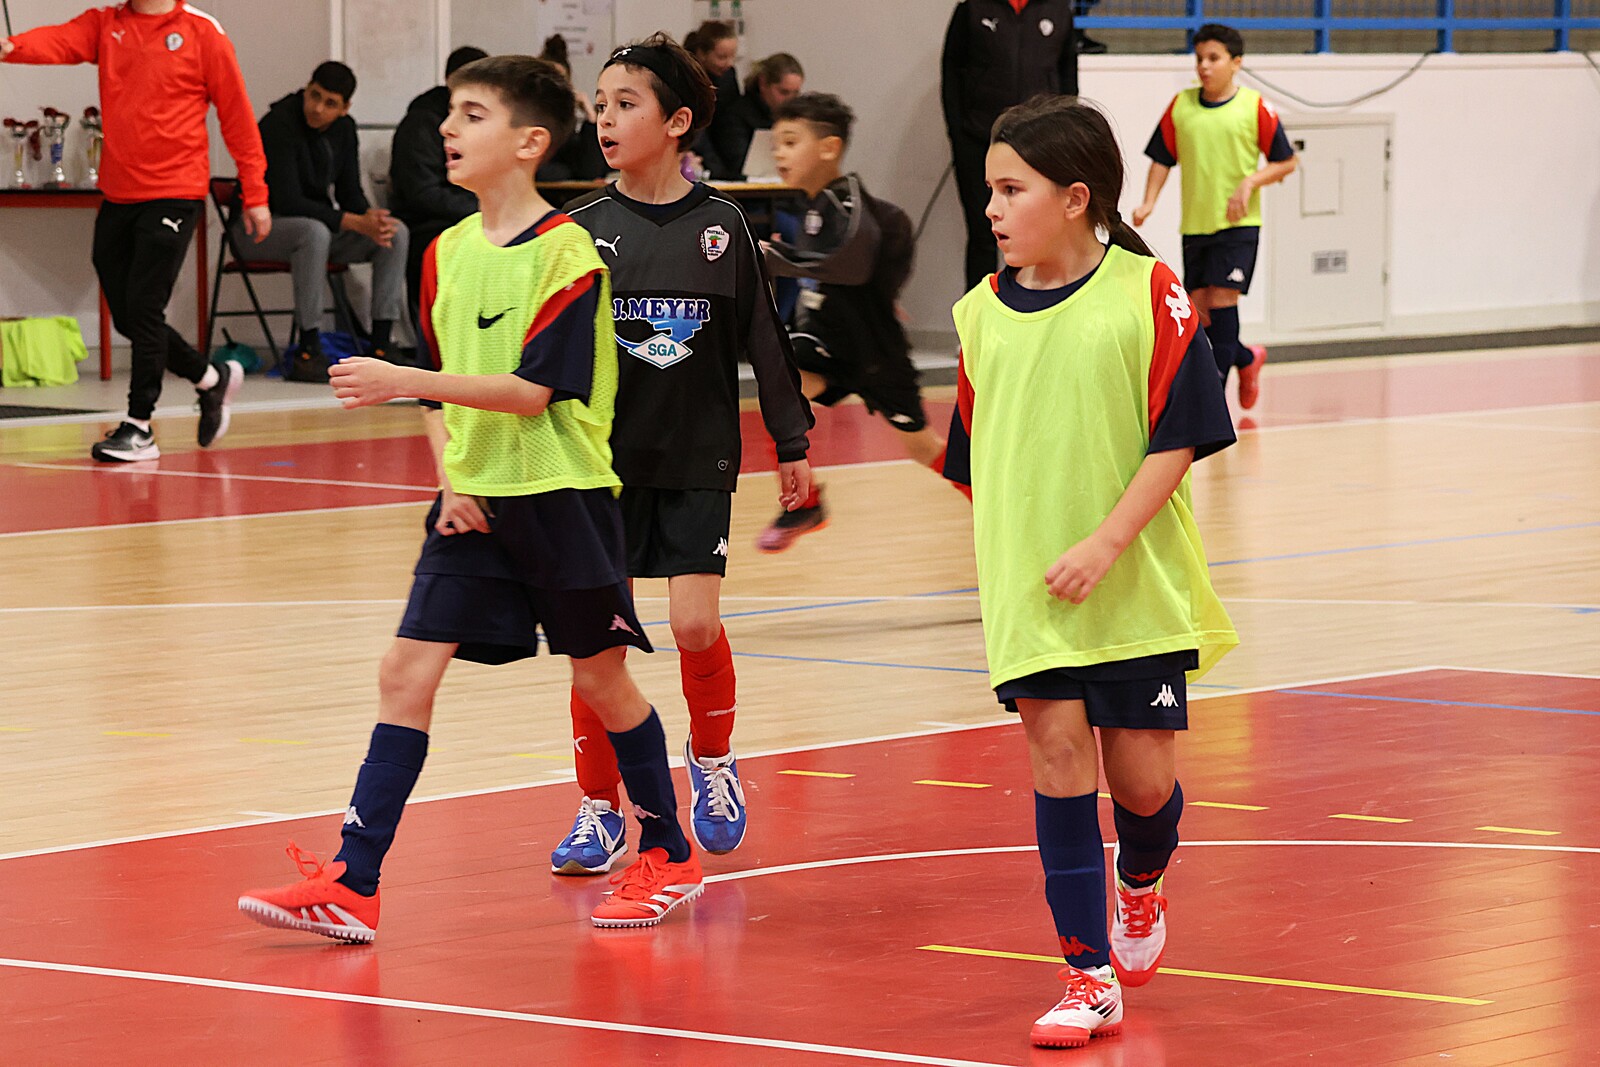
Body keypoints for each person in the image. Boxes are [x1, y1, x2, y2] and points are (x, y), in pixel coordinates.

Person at [237, 54, 704, 936]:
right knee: (404, 671)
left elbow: (531, 392)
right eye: (451, 113)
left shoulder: (566, 255)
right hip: (474, 501)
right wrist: (450, 479)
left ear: (530, 142)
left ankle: (669, 852)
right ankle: (354, 879)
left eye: (473, 115)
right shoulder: (445, 251)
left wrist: (396, 377)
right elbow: (440, 387)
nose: (449, 129)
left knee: (602, 679)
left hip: (561, 496)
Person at [943, 95, 1238, 1047]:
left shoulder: (1149, 293)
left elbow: (1181, 437)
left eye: (1010, 190)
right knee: (1059, 755)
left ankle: (1141, 879)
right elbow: (975, 458)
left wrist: (1105, 541)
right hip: (1031, 592)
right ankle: (1086, 972)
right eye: (989, 190)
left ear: (1076, 198)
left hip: (1132, 582)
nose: (992, 208)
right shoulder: (979, 315)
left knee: (1142, 785)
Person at [555, 34, 814, 873]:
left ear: (676, 122)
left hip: (699, 454)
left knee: (694, 622)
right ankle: (600, 809)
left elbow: (765, 340)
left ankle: (713, 759)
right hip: (600, 466)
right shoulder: (578, 230)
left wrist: (792, 442)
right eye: (599, 104)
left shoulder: (722, 226)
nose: (605, 118)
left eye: (625, 104)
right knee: (599, 645)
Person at [1, 0, 268, 462]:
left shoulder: (202, 32)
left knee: (145, 306)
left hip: (175, 192)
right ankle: (209, 378)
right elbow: (59, 40)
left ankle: (139, 426)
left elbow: (237, 116)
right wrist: (10, 47)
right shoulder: (107, 24)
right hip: (120, 194)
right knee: (129, 316)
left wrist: (256, 193)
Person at [755, 92, 959, 553]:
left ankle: (994, 503)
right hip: (828, 348)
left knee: (922, 447)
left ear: (829, 148)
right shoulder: (812, 207)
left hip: (874, 354)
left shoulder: (847, 203)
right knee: (778, 388)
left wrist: (774, 257)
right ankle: (804, 503)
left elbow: (849, 266)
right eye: (776, 145)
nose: (780, 154)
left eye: (791, 142)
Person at [1132, 23, 1296, 410]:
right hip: (1196, 225)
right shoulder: (1181, 106)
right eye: (1199, 59)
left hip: (1239, 225)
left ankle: (1211, 404)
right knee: (1202, 312)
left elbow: (1286, 161)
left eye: (1214, 58)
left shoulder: (1254, 107)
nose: (1204, 66)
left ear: (1236, 63)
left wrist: (1250, 183)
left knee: (1223, 299)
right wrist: (1148, 202)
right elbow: (1162, 159)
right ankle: (1246, 357)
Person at [247, 61, 410, 368]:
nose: (318, 108)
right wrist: (352, 221)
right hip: (261, 229)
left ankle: (381, 344)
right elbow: (288, 200)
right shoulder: (278, 124)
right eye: (314, 96)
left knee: (396, 232)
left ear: (345, 108)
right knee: (314, 232)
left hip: (317, 229)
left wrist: (370, 219)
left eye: (330, 103)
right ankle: (308, 349)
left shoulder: (344, 130)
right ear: (307, 89)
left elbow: (349, 193)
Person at [941, 0, 1078, 290]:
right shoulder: (972, 8)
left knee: (1031, 235)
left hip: (1039, 148)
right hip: (978, 142)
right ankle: (978, 314)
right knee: (983, 234)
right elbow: (951, 70)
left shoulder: (1057, 10)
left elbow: (1068, 77)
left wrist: (1063, 135)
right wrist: (958, 133)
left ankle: (1029, 309)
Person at [390, 45, 488, 351]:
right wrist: (481, 208)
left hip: (467, 216)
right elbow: (422, 194)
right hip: (429, 224)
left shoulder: (485, 122)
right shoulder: (422, 123)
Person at [706, 52, 803, 180]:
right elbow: (739, 164)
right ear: (763, 84)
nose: (790, 100)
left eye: (795, 93)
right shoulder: (735, 115)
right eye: (783, 92)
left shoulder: (796, 117)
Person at [536, 34, 607, 182]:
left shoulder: (569, 131)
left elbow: (590, 171)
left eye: (560, 82)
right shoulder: (524, 121)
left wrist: (590, 116)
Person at [684, 19, 739, 178]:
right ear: (702, 54)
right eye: (722, 57)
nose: (729, 63)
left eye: (733, 56)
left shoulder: (728, 76)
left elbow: (729, 120)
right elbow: (698, 131)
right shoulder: (685, 77)